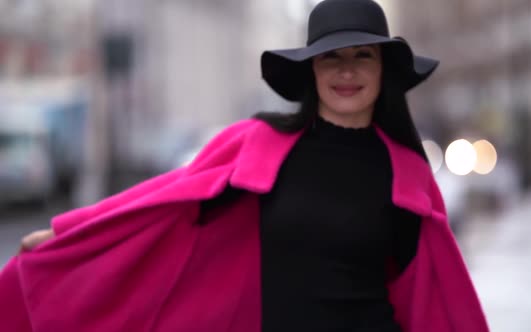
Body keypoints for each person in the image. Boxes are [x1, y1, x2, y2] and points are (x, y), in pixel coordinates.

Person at [1, 0, 489, 331]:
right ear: (310, 70)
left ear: (384, 70)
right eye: (330, 58)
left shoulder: (406, 172)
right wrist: (73, 232)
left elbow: (429, 298)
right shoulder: (260, 145)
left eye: (363, 56)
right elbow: (162, 202)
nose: (346, 71)